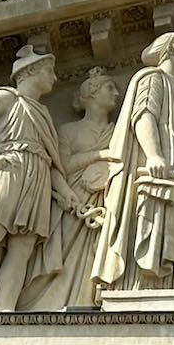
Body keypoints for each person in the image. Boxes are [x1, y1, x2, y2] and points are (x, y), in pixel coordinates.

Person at [92, 32, 174, 291]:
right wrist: (154, 154)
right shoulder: (153, 78)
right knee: (155, 222)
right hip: (162, 167)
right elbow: (144, 115)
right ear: (173, 49)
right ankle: (144, 286)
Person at [21, 67, 120, 309]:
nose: (116, 93)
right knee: (64, 254)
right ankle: (49, 303)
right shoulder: (69, 131)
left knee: (93, 256)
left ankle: (85, 299)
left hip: (105, 204)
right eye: (110, 87)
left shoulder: (118, 132)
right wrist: (103, 155)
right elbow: (62, 165)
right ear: (92, 94)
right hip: (74, 204)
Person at [0, 46, 79, 310]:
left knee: (22, 247)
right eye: (48, 71)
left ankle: (6, 310)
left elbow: (51, 159)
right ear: (29, 72)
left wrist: (65, 190)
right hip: (9, 170)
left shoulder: (43, 114)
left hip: (38, 180)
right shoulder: (6, 98)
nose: (54, 78)